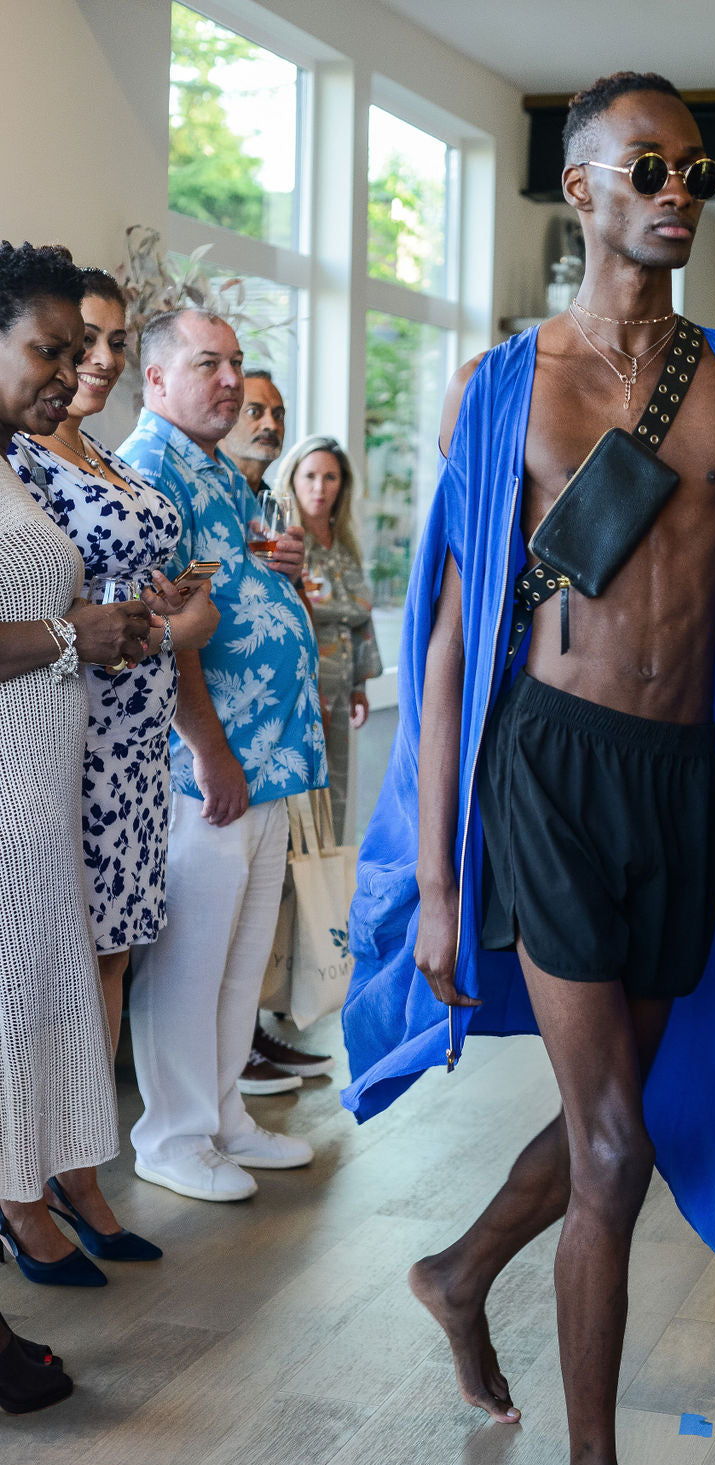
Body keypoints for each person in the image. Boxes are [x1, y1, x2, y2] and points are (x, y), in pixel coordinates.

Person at [341, 75, 715, 1465]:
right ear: (581, 189)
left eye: (696, 167)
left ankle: (456, 1270)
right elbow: (449, 639)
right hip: (553, 776)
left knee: (604, 1127)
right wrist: (443, 880)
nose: (678, 189)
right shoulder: (505, 386)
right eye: (647, 166)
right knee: (616, 1145)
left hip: (683, 785)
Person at [9, 269, 219, 1260]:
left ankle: (81, 1167)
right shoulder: (22, 457)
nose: (90, 362)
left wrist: (169, 616)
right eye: (67, 343)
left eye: (105, 343)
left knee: (110, 954)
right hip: (66, 727)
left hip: (132, 726)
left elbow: (124, 590)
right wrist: (94, 630)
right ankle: (36, 1181)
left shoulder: (96, 454)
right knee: (54, 964)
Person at [118, 308, 327, 1202]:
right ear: (156, 379)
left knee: (243, 957)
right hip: (209, 762)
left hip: (268, 752)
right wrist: (207, 748)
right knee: (190, 960)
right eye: (209, 364)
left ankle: (226, 1116)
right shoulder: (152, 468)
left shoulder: (221, 471)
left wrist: (279, 563)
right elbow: (170, 635)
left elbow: (236, 586)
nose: (231, 381)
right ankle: (172, 1135)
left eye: (236, 363)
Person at [0, 241, 149, 1348]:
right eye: (47, 351)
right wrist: (67, 633)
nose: (68, 372)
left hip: (42, 785)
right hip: (5, 792)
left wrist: (99, 635)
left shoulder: (13, 462)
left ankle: (39, 1194)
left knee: (40, 1012)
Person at [222, 373, 336, 1095]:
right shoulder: (192, 486)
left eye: (277, 413)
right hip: (221, 748)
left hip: (280, 740)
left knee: (264, 916)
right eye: (254, 409)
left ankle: (249, 1040)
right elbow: (180, 583)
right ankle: (222, 1071)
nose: (266, 422)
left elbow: (298, 619)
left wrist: (290, 579)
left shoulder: (266, 504)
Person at [274, 433, 381, 842]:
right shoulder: (285, 545)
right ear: (293, 480)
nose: (320, 488)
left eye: (331, 477)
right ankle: (290, 898)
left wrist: (359, 686)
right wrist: (306, 688)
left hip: (341, 687)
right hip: (303, 691)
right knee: (300, 805)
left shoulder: (346, 546)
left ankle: (323, 901)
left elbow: (362, 619)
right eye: (311, 476)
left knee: (335, 795)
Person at [220, 367, 285, 497]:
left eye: (278, 415)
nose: (271, 425)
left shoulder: (270, 503)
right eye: (253, 412)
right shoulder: (200, 495)